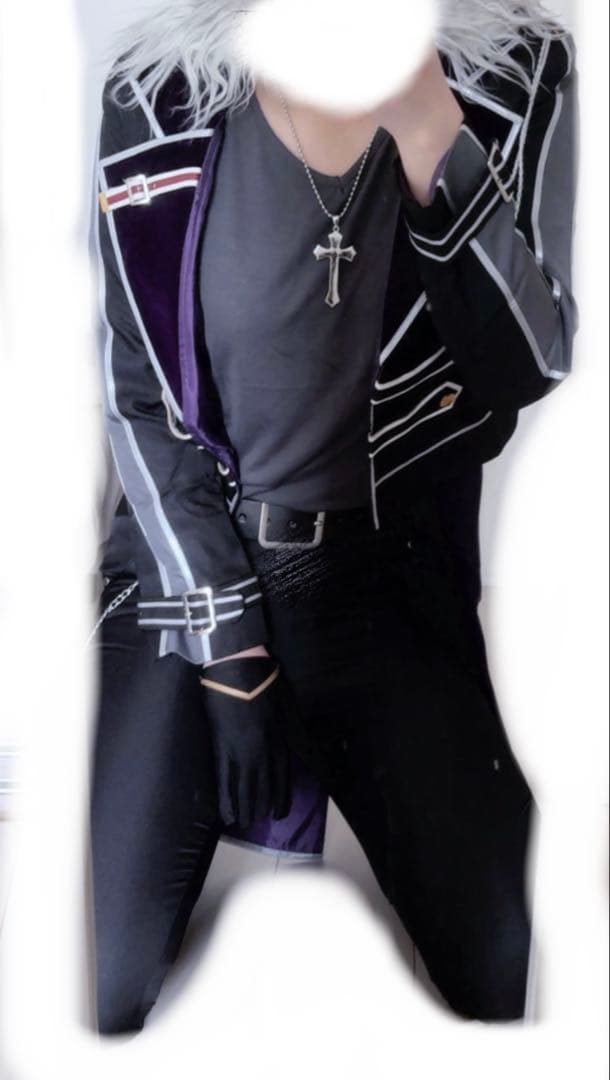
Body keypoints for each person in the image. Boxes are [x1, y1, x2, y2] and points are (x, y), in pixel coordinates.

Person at [87, 0, 578, 1036]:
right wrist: (228, 644)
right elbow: (138, 396)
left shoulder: (516, 70)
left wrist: (430, 128)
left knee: (506, 965)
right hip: (192, 577)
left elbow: (523, 367)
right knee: (107, 980)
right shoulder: (156, 87)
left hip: (382, 581)